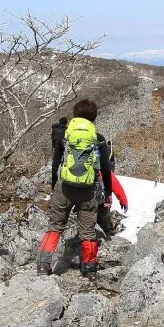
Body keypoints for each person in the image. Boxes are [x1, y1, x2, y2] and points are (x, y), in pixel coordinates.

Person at [37, 99, 113, 276]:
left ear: (75, 114)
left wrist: (55, 185)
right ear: (93, 118)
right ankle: (89, 268)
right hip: (87, 191)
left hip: (64, 188)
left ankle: (43, 265)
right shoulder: (98, 139)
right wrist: (107, 192)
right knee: (87, 231)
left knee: (55, 226)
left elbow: (56, 164)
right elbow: (106, 169)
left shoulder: (65, 136)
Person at [96, 143, 128, 238]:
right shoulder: (105, 171)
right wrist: (124, 202)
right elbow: (116, 187)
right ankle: (108, 234)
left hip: (85, 201)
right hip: (102, 203)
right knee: (104, 219)